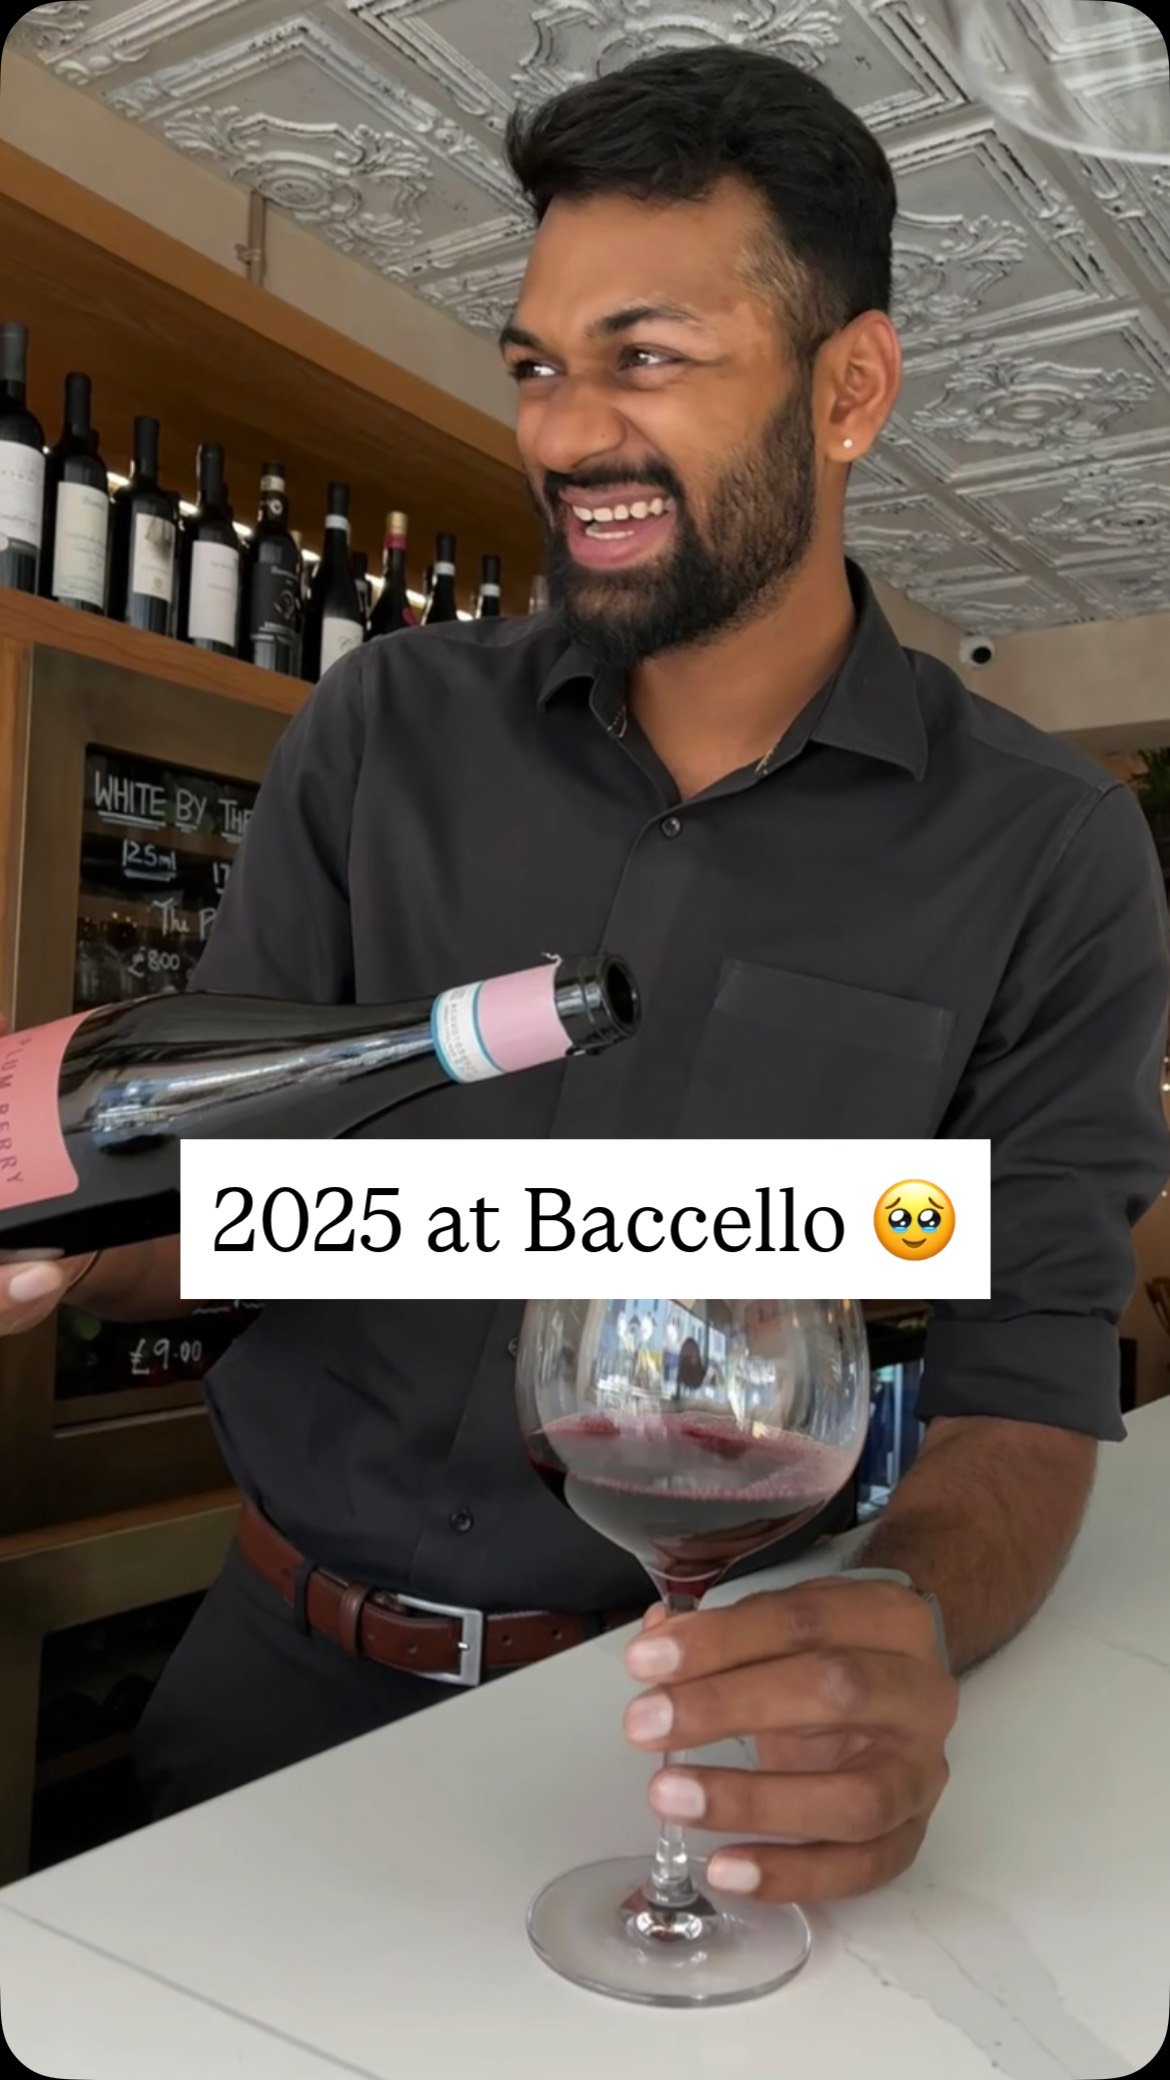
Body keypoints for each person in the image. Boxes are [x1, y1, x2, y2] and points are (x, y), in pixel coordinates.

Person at [3, 45, 1168, 1908]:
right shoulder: (384, 727)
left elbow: (1023, 1375)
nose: (561, 435)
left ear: (849, 388)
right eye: (536, 366)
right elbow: (227, 1210)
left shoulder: (1045, 848)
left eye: (647, 358)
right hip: (266, 1691)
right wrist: (59, 1252)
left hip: (691, 1723)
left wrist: (897, 1626)